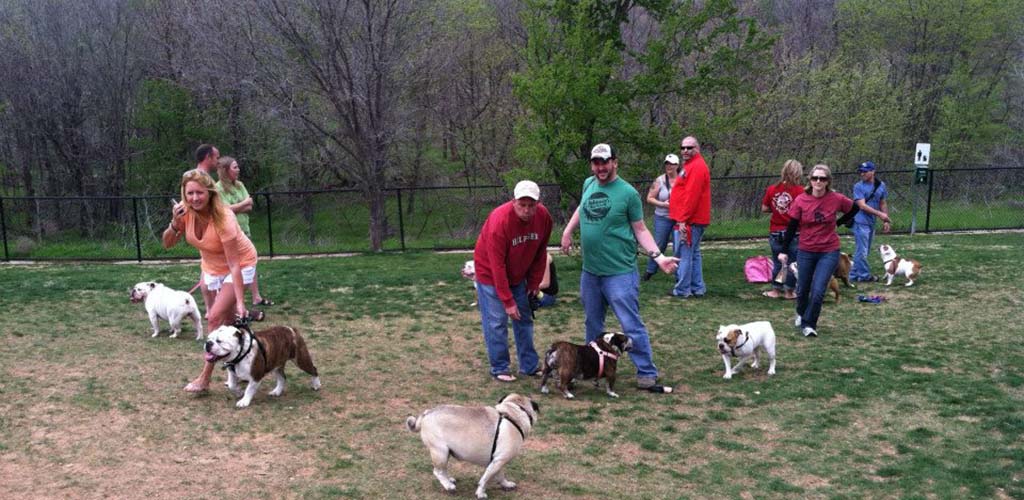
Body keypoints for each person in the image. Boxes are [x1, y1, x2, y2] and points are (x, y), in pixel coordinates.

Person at [560, 143, 680, 390]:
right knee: (593, 323)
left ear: (615, 162)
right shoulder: (588, 184)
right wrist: (568, 230)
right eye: (596, 162)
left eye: (605, 162)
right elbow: (583, 207)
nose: (601, 167)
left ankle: (646, 372)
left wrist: (658, 257)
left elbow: (640, 229)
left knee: (630, 323)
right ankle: (593, 367)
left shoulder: (628, 194)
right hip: (591, 271)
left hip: (620, 273)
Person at [164, 170, 262, 392]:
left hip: (241, 264)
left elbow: (234, 264)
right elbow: (167, 243)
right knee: (228, 326)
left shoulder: (224, 217)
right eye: (190, 193)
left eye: (200, 193)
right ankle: (251, 362)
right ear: (184, 193)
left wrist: (240, 301)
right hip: (212, 269)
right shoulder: (184, 213)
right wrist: (174, 222)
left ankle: (204, 379)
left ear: (209, 193)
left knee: (215, 317)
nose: (195, 198)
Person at [473, 180, 553, 382]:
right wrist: (508, 302)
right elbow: (496, 265)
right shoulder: (500, 222)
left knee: (523, 318)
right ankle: (500, 367)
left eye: (531, 205)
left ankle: (529, 365)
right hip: (490, 274)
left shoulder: (544, 218)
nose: (526, 210)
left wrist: (534, 283)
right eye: (522, 205)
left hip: (520, 274)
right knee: (497, 321)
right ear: (513, 201)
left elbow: (540, 251)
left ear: (538, 203)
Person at [777, 164, 859, 337]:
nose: (818, 181)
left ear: (828, 181)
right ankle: (800, 312)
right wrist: (783, 250)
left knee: (819, 290)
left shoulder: (836, 198)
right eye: (815, 178)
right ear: (810, 180)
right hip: (806, 249)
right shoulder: (801, 200)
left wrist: (839, 222)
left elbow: (855, 208)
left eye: (822, 178)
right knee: (803, 288)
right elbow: (792, 226)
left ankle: (809, 324)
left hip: (829, 250)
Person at [216, 156, 273, 308]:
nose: (238, 169)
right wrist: (241, 205)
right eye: (235, 167)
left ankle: (256, 297)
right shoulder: (218, 189)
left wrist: (236, 207)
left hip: (244, 230)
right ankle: (226, 299)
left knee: (250, 262)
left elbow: (250, 206)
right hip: (228, 232)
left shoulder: (240, 185)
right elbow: (224, 211)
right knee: (230, 265)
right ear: (226, 170)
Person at [668, 136, 711, 298]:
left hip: (690, 220)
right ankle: (697, 287)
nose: (685, 150)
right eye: (683, 147)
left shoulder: (697, 167)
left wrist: (683, 220)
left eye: (689, 147)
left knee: (684, 255)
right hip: (691, 219)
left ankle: (682, 290)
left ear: (697, 149)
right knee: (693, 253)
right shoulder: (690, 166)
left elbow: (692, 196)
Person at [760, 159, 805, 299]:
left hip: (775, 231)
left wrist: (777, 210)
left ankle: (775, 290)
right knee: (792, 263)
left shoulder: (772, 189)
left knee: (778, 262)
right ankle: (789, 292)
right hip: (794, 233)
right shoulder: (801, 191)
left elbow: (764, 208)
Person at [185, 144, 221, 316]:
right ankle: (211, 309)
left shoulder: (199, 176)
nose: (218, 161)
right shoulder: (200, 178)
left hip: (207, 229)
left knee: (206, 269)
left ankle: (211, 309)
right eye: (216, 157)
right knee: (208, 270)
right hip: (205, 230)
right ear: (208, 157)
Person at [849, 161, 891, 282]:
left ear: (873, 171)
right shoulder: (858, 186)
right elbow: (862, 205)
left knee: (864, 250)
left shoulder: (881, 185)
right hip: (860, 221)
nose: (862, 174)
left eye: (865, 171)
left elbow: (882, 202)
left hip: (871, 222)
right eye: (860, 171)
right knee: (861, 250)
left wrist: (885, 220)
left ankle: (853, 275)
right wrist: (880, 214)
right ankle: (864, 276)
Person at [643, 154, 680, 281]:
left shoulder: (683, 179)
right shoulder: (659, 180)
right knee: (658, 245)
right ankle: (650, 271)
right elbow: (649, 198)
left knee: (679, 246)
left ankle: (679, 275)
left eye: (672, 164)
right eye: (667, 164)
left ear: (677, 166)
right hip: (662, 217)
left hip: (679, 218)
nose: (669, 166)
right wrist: (663, 204)